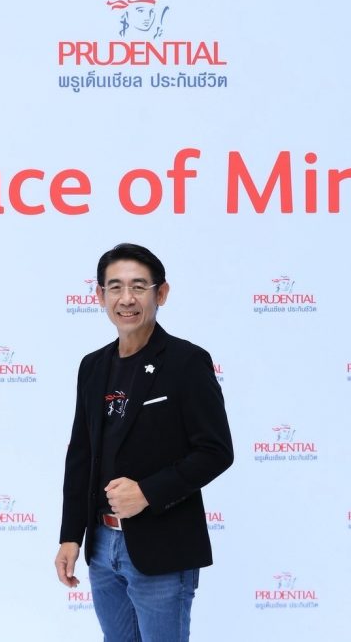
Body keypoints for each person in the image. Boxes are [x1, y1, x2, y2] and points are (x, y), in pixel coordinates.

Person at [55, 243, 233, 641]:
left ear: (161, 293)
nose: (126, 298)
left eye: (139, 286)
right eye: (115, 287)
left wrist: (148, 493)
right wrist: (70, 536)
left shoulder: (186, 362)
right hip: (101, 546)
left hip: (162, 547)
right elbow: (81, 455)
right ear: (100, 295)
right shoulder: (92, 366)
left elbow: (216, 451)